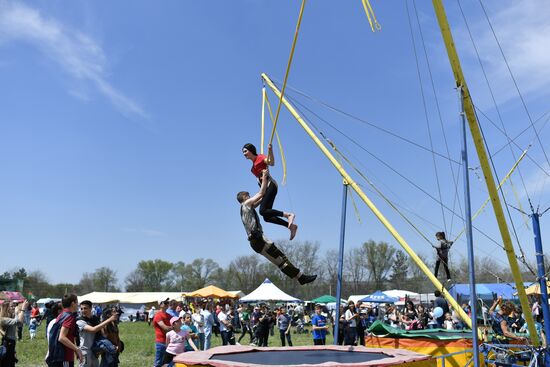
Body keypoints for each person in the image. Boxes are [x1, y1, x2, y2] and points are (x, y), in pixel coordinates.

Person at [237, 169, 317, 285]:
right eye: (248, 196)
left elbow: (261, 197)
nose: (250, 197)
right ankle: (300, 277)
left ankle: (300, 277)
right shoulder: (246, 204)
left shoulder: (248, 208)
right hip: (258, 239)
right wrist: (264, 177)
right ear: (245, 197)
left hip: (257, 241)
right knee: (280, 259)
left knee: (279, 259)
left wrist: (264, 187)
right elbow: (260, 193)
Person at [242, 143, 298, 240]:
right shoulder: (252, 169)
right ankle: (291, 227)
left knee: (262, 211)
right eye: (243, 152)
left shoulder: (260, 157)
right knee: (266, 217)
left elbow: (271, 162)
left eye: (245, 151)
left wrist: (270, 150)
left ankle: (288, 215)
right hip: (265, 189)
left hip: (271, 185)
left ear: (251, 150)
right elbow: (260, 181)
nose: (244, 154)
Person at [76, 301, 118, 367]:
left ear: (91, 308)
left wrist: (107, 346)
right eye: (81, 309)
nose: (83, 310)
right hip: (85, 351)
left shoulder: (95, 319)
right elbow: (93, 330)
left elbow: (102, 334)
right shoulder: (80, 321)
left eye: (85, 308)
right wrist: (109, 319)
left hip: (95, 351)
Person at [53, 294, 84, 367]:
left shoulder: (61, 315)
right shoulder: (69, 317)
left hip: (57, 355)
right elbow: (61, 337)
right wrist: (77, 349)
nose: (78, 305)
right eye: (77, 302)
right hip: (65, 356)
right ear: (73, 303)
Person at [0, 299, 28, 367]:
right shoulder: (3, 319)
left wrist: (14, 351)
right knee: (7, 364)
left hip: (11, 344)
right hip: (7, 344)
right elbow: (18, 321)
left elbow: (20, 324)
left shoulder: (10, 317)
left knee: (11, 363)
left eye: (14, 306)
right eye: (11, 306)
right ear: (6, 308)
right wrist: (22, 310)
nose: (14, 307)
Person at [153, 298, 173, 367]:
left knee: (167, 363)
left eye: (168, 302)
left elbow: (177, 324)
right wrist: (174, 327)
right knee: (158, 363)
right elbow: (165, 328)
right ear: (160, 304)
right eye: (165, 303)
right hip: (161, 343)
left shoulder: (169, 315)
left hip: (169, 342)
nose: (167, 304)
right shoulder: (158, 315)